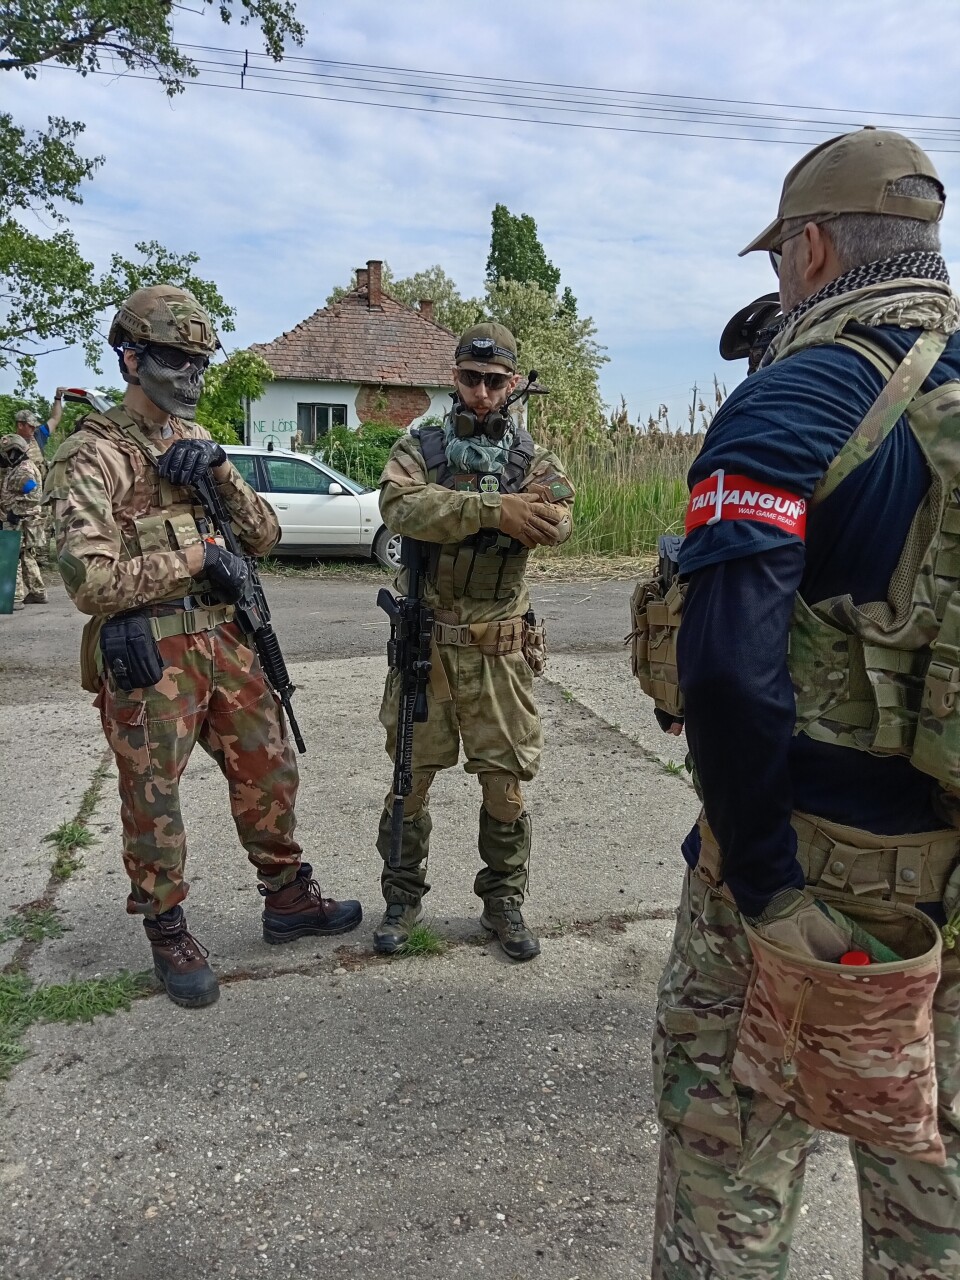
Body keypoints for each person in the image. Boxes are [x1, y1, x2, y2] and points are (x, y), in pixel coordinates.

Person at [651, 128, 960, 1277]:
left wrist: (769, 886)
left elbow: (727, 672)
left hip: (813, 887)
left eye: (782, 255)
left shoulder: (799, 396)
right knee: (936, 1209)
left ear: (815, 249)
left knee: (729, 1179)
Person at [45, 285, 361, 1009]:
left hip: (226, 639)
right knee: (153, 798)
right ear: (131, 358)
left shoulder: (194, 443)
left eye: (200, 362)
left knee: (270, 769)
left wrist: (219, 468)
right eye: (174, 359)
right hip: (152, 655)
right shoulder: (91, 455)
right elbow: (90, 581)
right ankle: (167, 928)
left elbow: (265, 537)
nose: (191, 376)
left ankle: (287, 896)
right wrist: (194, 560)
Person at [374, 323, 574, 961]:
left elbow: (558, 519)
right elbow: (399, 507)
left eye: (493, 381)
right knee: (409, 780)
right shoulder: (420, 446)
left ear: (512, 383)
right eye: (470, 379)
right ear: (454, 378)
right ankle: (402, 899)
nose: (481, 393)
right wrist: (494, 510)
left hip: (498, 652)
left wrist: (510, 510)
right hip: (426, 647)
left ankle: (503, 901)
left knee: (505, 786)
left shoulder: (532, 458)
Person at [0, 433, 43, 610]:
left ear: (12, 452)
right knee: (26, 555)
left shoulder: (23, 470)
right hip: (23, 519)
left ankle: (15, 598)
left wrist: (15, 512)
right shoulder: (21, 467)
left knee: (11, 556)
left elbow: (33, 494)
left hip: (18, 520)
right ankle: (38, 592)